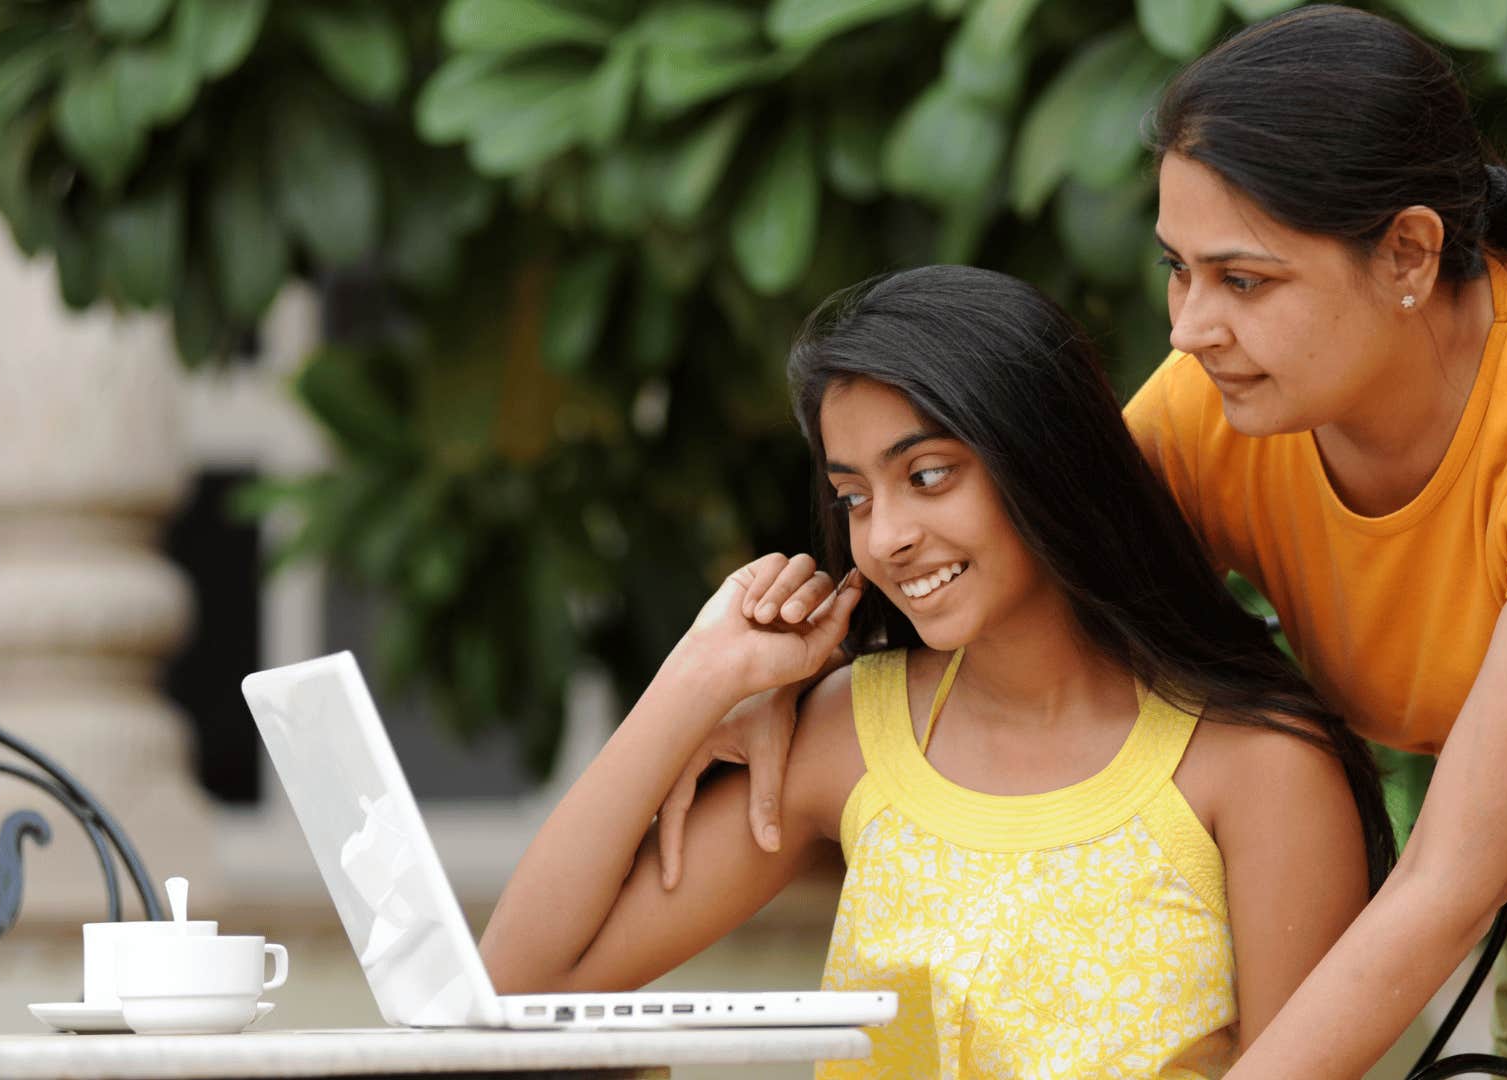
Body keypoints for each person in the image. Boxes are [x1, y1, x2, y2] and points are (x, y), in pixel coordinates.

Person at [658, 6, 1507, 1077]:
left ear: (1407, 252)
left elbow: (1450, 880)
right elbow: (1031, 570)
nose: (1190, 329)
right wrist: (789, 672)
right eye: (1179, 272)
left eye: (1245, 280)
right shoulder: (1228, 410)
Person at [480, 265, 1395, 1076]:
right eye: (853, 497)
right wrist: (696, 679)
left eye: (927, 476)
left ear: (1045, 461)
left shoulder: (1258, 765)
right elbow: (517, 989)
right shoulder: (854, 733)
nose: (886, 537)